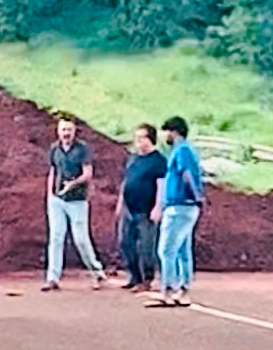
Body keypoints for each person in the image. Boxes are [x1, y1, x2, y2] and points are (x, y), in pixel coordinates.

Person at [43, 117, 106, 291]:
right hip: (57, 199)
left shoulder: (83, 149)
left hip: (77, 199)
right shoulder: (54, 149)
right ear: (58, 131)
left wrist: (73, 184)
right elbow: (53, 171)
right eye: (63, 130)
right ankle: (52, 278)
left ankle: (96, 271)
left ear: (74, 131)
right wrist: (50, 193)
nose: (66, 134)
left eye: (69, 130)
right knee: (56, 238)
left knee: (81, 239)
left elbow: (88, 174)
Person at [152, 116, 205, 308]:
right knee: (183, 249)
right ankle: (183, 289)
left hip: (180, 205)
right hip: (186, 206)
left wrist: (195, 196)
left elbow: (186, 174)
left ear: (173, 132)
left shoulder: (181, 150)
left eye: (166, 132)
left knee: (166, 249)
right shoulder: (187, 149)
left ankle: (168, 289)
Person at [115, 124, 167, 292]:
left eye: (141, 138)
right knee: (125, 242)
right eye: (136, 138)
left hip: (146, 209)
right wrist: (120, 203)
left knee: (146, 246)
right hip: (129, 208)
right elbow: (126, 181)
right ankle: (134, 276)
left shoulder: (158, 161)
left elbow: (161, 185)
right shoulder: (133, 159)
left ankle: (147, 279)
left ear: (150, 139)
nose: (138, 142)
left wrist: (158, 207)